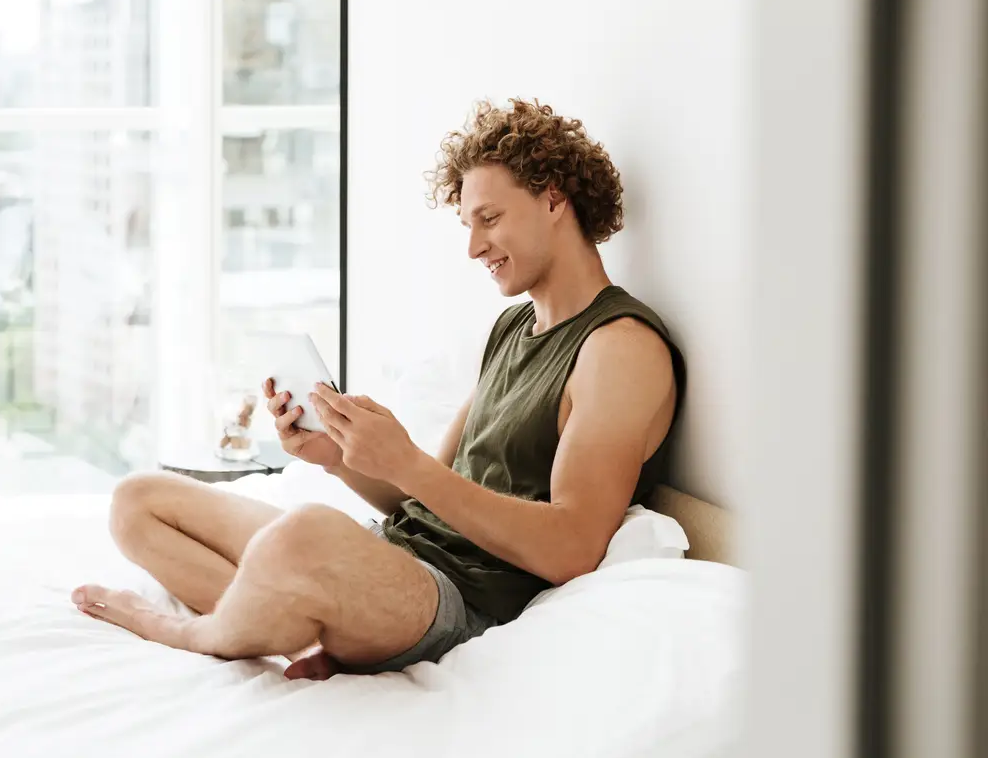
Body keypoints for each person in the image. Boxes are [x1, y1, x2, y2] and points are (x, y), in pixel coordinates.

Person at [71, 98, 686, 680]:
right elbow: (426, 501)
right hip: (390, 560)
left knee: (302, 535)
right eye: (468, 224)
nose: (474, 247)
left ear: (554, 200)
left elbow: (574, 548)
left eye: (490, 219)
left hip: (456, 599)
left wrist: (408, 463)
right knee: (139, 500)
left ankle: (191, 632)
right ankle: (288, 621)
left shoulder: (619, 348)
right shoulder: (513, 328)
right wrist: (337, 457)